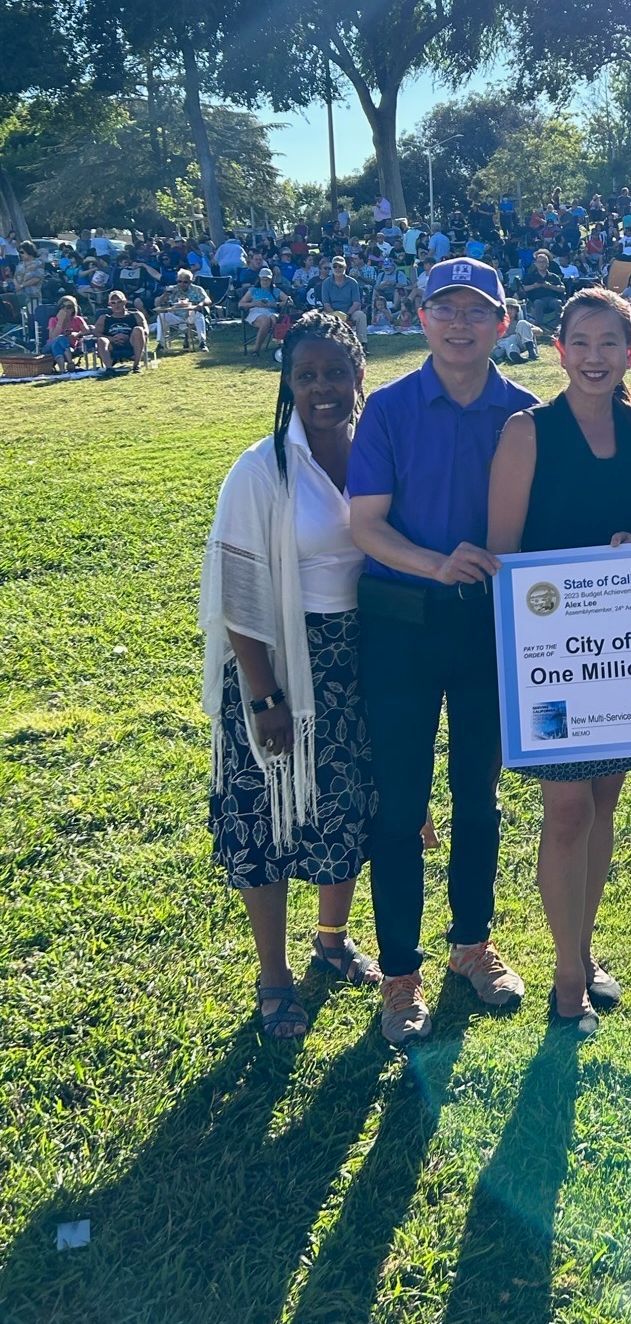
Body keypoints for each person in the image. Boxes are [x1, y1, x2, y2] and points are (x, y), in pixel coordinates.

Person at [347, 257, 538, 1047]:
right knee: (398, 805)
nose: (460, 324)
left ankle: (471, 944)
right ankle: (400, 973)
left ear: (504, 321)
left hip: (488, 626)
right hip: (401, 622)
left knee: (478, 795)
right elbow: (366, 524)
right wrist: (438, 563)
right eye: (444, 309)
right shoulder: (388, 409)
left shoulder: (526, 413)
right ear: (421, 318)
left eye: (477, 311)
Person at [487, 290, 631, 1034]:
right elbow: (502, 557)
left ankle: (584, 948)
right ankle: (568, 978)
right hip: (553, 656)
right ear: (559, 348)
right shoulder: (527, 431)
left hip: (623, 656)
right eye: (581, 342)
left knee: (603, 804)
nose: (595, 357)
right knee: (564, 810)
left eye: (610, 343)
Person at [199, 312, 380, 1041]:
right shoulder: (261, 467)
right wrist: (263, 693)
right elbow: (236, 589)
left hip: (359, 658)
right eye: (305, 375)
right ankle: (274, 974)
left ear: (360, 372)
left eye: (335, 371)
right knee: (267, 813)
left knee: (346, 804)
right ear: (287, 382)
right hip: (278, 660)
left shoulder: (380, 450)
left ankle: (330, 941)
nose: (321, 387)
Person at [96, 290, 149, 374]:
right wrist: (111, 339)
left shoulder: (136, 315)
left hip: (131, 342)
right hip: (112, 344)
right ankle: (109, 368)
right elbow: (96, 333)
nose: (116, 305)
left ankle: (136, 365)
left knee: (138, 329)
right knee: (101, 340)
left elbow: (145, 330)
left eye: (119, 302)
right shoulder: (104, 318)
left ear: (125, 302)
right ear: (109, 304)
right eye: (113, 303)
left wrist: (128, 337)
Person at [157, 268, 210, 351]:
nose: (182, 284)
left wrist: (201, 304)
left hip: (191, 315)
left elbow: (208, 300)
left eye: (185, 282)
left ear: (190, 282)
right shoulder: (172, 289)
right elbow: (158, 304)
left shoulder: (197, 289)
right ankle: (161, 343)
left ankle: (202, 343)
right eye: (180, 281)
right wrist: (164, 296)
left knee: (199, 316)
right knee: (161, 316)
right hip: (176, 314)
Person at [241, 269, 287, 357]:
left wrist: (272, 304)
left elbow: (289, 302)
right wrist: (255, 303)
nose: (265, 282)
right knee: (265, 321)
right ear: (259, 280)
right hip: (256, 312)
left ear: (271, 280)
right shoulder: (253, 290)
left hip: (270, 311)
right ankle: (256, 350)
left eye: (267, 280)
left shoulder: (276, 291)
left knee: (274, 318)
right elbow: (241, 304)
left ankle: (280, 348)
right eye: (263, 279)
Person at [320, 254, 368, 334]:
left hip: (350, 312)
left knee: (361, 315)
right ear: (332, 268)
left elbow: (356, 303)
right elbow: (326, 304)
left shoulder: (353, 283)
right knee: (320, 317)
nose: (338, 268)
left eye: (340, 266)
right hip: (331, 312)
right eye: (335, 266)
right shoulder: (326, 283)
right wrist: (335, 315)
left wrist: (348, 315)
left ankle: (362, 342)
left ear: (345, 267)